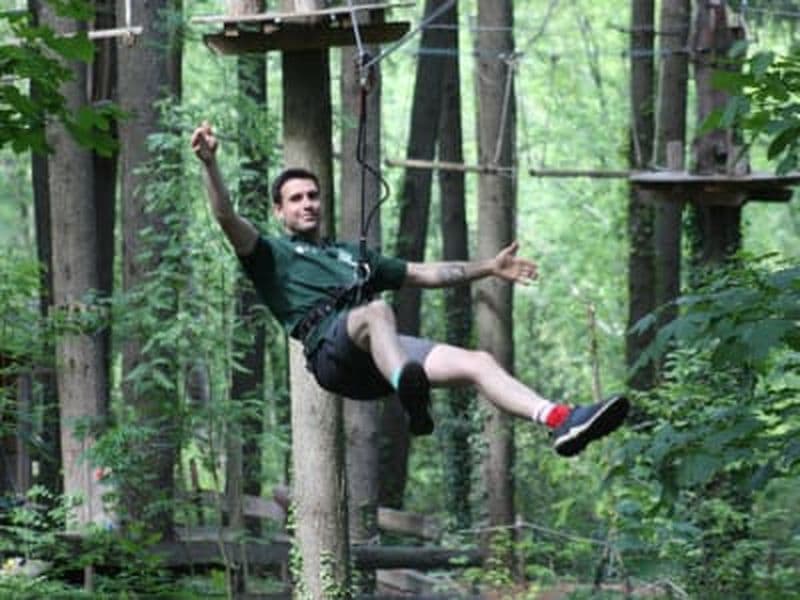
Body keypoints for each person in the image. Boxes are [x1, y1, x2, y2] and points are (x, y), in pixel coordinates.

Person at [191, 122, 628, 457]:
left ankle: (559, 419)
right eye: (296, 199)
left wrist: (490, 268)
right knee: (376, 311)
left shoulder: (350, 255)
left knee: (478, 361)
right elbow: (227, 218)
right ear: (279, 211)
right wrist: (210, 164)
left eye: (313, 196)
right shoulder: (270, 255)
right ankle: (409, 388)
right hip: (333, 354)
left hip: (381, 353)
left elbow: (425, 273)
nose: (308, 204)